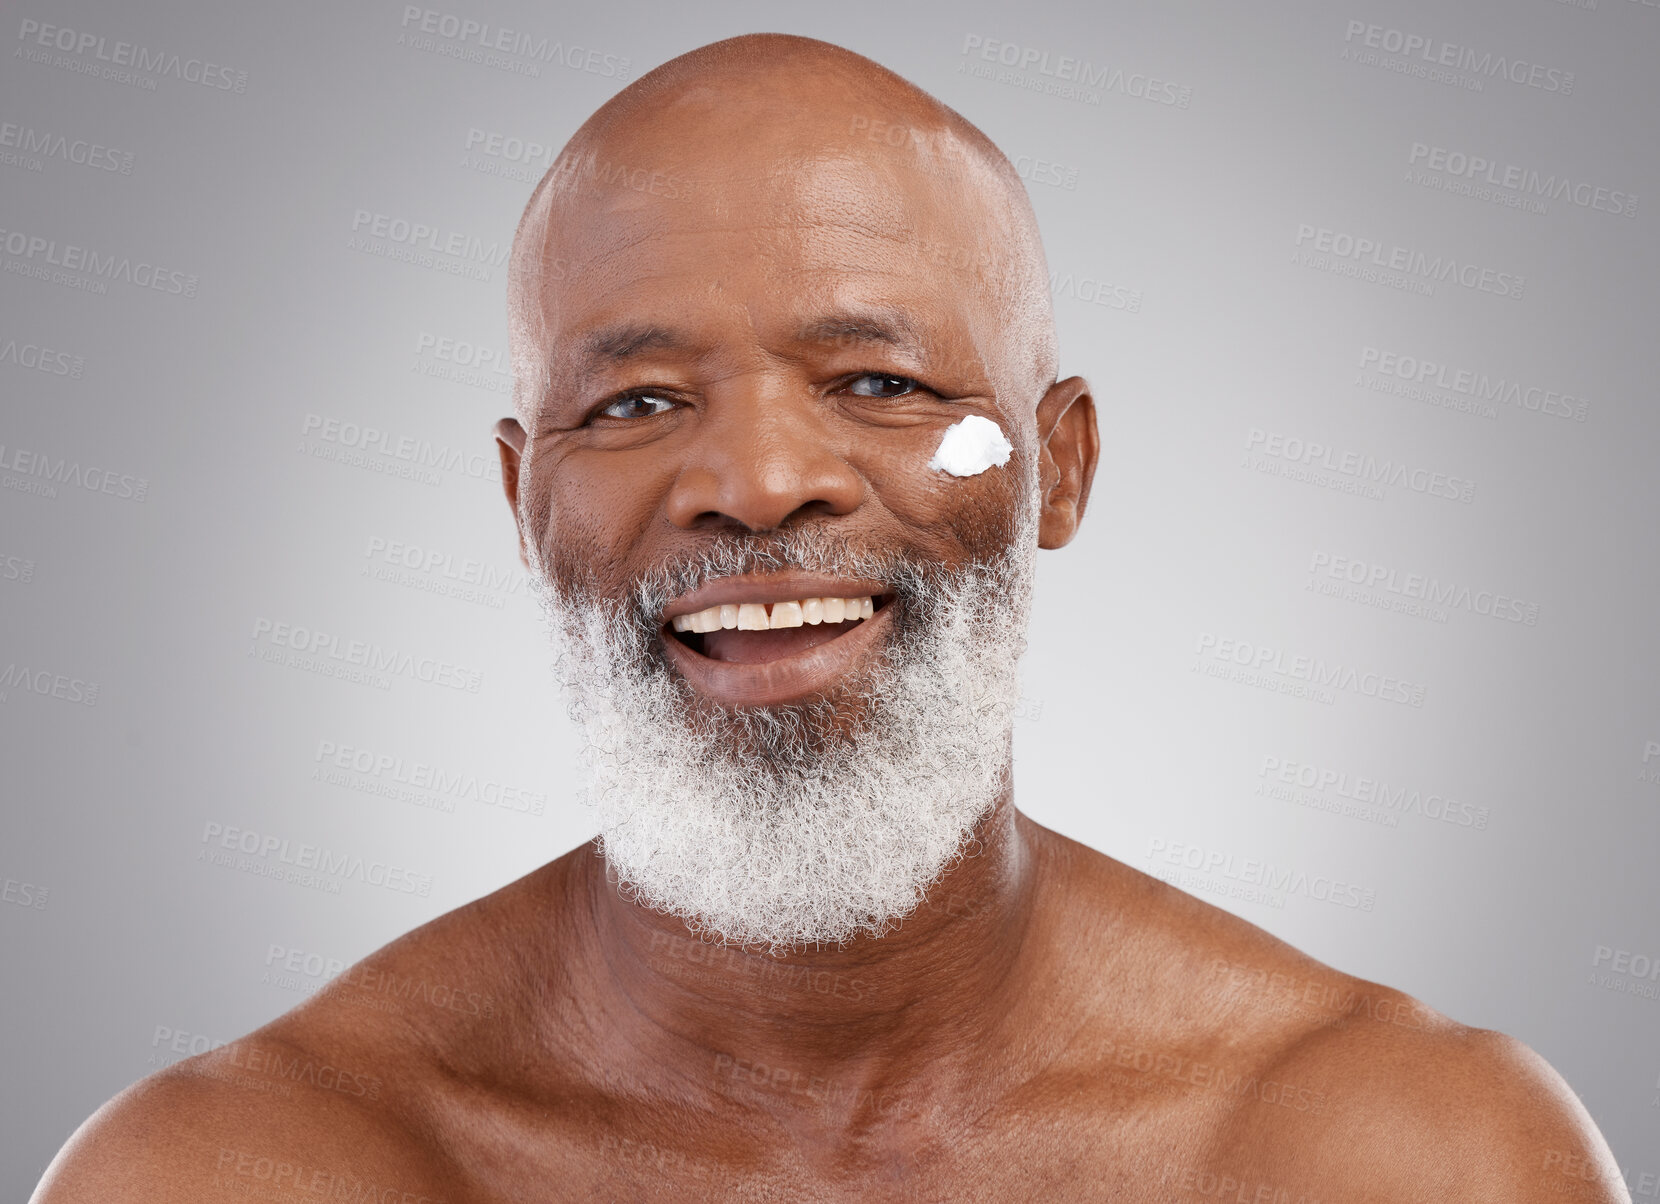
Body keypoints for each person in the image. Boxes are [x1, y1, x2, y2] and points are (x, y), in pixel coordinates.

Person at [34, 33, 1629, 1203]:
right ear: (525, 507)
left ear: (1057, 467)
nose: (757, 481)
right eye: (640, 400)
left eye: (878, 383)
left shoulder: (1392, 1157)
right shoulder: (244, 1174)